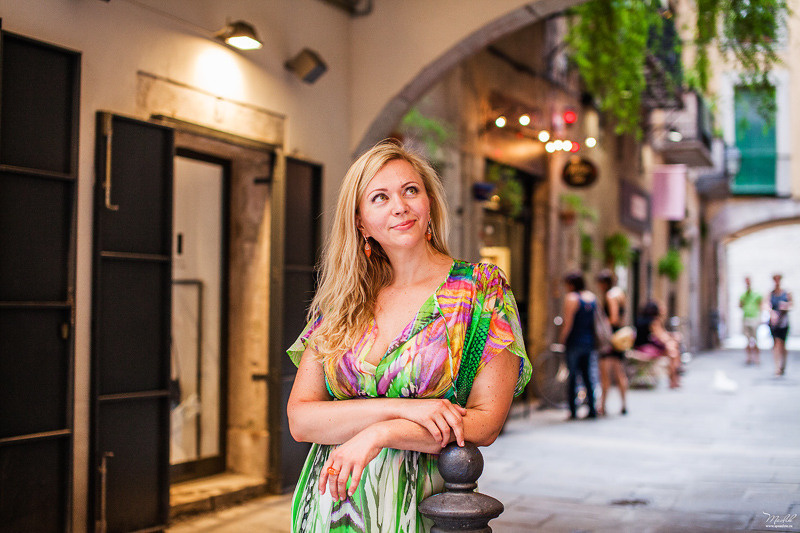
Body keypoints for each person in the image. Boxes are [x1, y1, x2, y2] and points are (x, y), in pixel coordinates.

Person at [286, 140, 531, 532]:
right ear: (361, 222)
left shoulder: (480, 290)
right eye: (379, 197)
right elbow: (301, 419)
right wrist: (409, 409)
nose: (399, 206)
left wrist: (381, 434)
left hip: (422, 506)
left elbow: (485, 424)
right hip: (330, 507)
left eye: (410, 190)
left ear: (428, 204)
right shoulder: (343, 299)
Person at [558, 271, 599, 420]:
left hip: (574, 341)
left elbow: (568, 324)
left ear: (571, 284)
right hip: (589, 342)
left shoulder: (572, 298)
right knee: (588, 375)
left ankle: (573, 410)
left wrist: (562, 339)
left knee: (573, 375)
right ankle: (592, 409)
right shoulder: (591, 297)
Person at [595, 269, 629, 416]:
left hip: (609, 339)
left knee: (605, 374)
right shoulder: (620, 293)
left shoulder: (610, 295)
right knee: (619, 372)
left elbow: (613, 318)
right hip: (618, 338)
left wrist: (601, 326)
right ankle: (623, 404)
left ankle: (602, 406)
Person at [633, 301, 681, 389]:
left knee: (672, 349)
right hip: (646, 349)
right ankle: (674, 380)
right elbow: (661, 337)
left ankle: (674, 379)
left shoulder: (640, 319)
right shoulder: (653, 321)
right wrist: (672, 338)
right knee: (673, 353)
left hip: (639, 346)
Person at [769, 274, 792, 376]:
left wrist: (786, 306)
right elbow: (766, 305)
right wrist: (772, 313)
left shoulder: (786, 293)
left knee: (783, 344)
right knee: (776, 344)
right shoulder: (771, 293)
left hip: (784, 322)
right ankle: (777, 367)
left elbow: (792, 304)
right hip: (774, 322)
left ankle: (783, 365)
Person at [739, 276, 762, 365]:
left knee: (755, 339)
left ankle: (757, 358)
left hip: (754, 318)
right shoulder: (743, 295)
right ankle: (749, 357)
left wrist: (760, 317)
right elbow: (740, 305)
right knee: (747, 339)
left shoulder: (757, 295)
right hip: (746, 318)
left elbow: (760, 305)